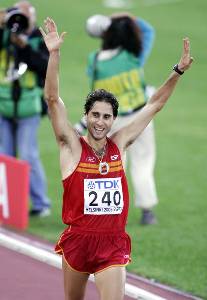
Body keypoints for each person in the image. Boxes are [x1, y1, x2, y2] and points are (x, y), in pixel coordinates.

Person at [40, 17, 193, 300]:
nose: (100, 122)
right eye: (95, 115)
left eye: (106, 116)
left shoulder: (120, 144)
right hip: (78, 242)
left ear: (113, 119)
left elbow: (154, 104)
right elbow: (52, 99)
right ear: (86, 116)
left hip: (112, 244)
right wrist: (54, 54)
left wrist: (178, 71)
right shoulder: (71, 147)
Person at [74, 13, 158, 225]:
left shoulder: (95, 60)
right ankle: (147, 212)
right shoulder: (133, 56)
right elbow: (148, 31)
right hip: (140, 119)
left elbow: (95, 92)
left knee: (113, 166)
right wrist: (126, 17)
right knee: (143, 163)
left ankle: (109, 212)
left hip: (112, 121)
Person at [0, 1, 51, 217]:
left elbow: (45, 66)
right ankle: (8, 205)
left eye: (25, 17)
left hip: (29, 107)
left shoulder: (39, 39)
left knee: (28, 155)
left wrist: (24, 46)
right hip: (3, 105)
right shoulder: (3, 35)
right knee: (5, 156)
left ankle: (41, 204)